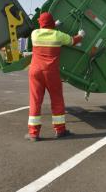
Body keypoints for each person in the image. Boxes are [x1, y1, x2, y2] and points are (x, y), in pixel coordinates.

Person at [26, 12, 85, 141]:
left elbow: (44, 30)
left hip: (35, 71)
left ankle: (33, 133)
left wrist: (54, 25)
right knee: (57, 100)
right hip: (50, 72)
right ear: (52, 23)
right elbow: (72, 41)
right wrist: (80, 35)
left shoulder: (34, 34)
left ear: (40, 23)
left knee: (35, 101)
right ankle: (60, 131)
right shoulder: (58, 35)